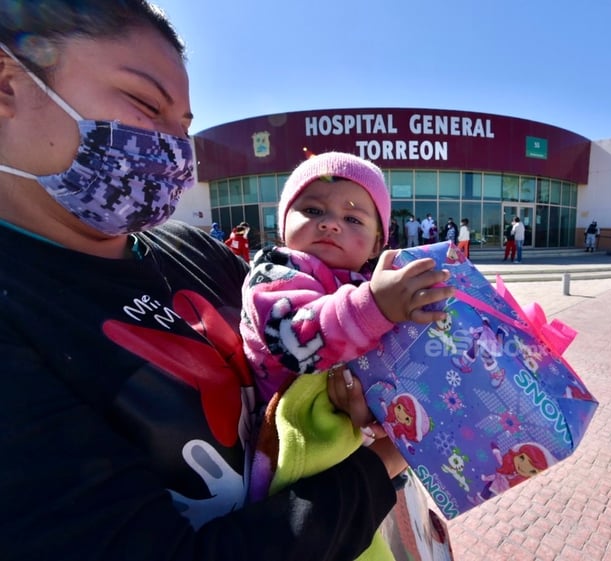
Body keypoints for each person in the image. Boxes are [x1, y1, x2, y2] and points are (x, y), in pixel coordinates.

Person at [0, 3, 405, 559]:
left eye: (183, 128)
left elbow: (308, 365)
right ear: (8, 84)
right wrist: (382, 465)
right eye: (146, 105)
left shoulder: (193, 253)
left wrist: (360, 400)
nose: (175, 154)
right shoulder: (18, 309)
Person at [239, 152, 454, 558]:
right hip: (295, 454)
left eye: (353, 218)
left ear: (377, 242)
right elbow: (296, 337)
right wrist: (376, 306)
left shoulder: (362, 284)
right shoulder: (277, 270)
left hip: (350, 451)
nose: (331, 222)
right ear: (283, 224)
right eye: (312, 209)